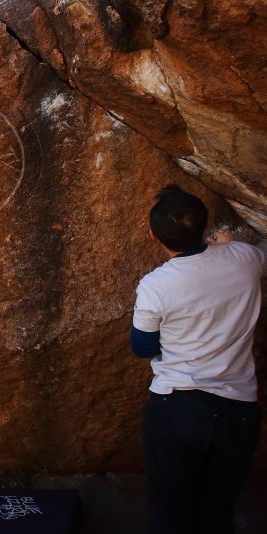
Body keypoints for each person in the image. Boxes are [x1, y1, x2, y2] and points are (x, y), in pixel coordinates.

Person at [131, 185, 264, 534]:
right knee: (218, 512)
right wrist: (227, 244)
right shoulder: (246, 259)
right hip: (239, 412)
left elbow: (143, 347)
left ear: (151, 234)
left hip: (178, 407)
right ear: (204, 226)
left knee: (171, 514)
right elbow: (249, 255)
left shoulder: (155, 286)